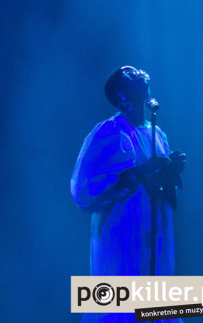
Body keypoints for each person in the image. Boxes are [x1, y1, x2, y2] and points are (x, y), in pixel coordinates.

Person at [71, 66, 186, 289]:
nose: (140, 74)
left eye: (139, 72)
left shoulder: (157, 133)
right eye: (131, 74)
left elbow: (164, 189)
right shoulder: (110, 131)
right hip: (124, 225)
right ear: (121, 94)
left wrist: (170, 170)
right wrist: (140, 172)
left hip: (154, 226)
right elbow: (83, 187)